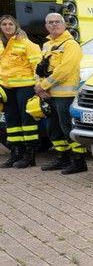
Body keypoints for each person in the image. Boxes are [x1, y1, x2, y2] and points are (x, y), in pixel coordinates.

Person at [35, 12, 88, 174]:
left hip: (65, 96)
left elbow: (65, 70)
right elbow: (39, 67)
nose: (53, 25)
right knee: (53, 128)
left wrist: (43, 85)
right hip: (48, 95)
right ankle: (62, 157)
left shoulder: (71, 44)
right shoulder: (47, 45)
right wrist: (38, 85)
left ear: (64, 25)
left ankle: (79, 161)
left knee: (67, 127)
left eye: (57, 22)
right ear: (46, 26)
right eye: (50, 22)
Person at [0, 12, 43, 169]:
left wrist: (39, 85)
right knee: (11, 121)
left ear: (16, 26)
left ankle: (30, 155)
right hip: (6, 89)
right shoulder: (0, 44)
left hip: (25, 87)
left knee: (27, 122)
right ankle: (15, 153)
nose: (7, 27)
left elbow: (37, 66)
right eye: (4, 24)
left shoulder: (26, 43)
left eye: (10, 24)